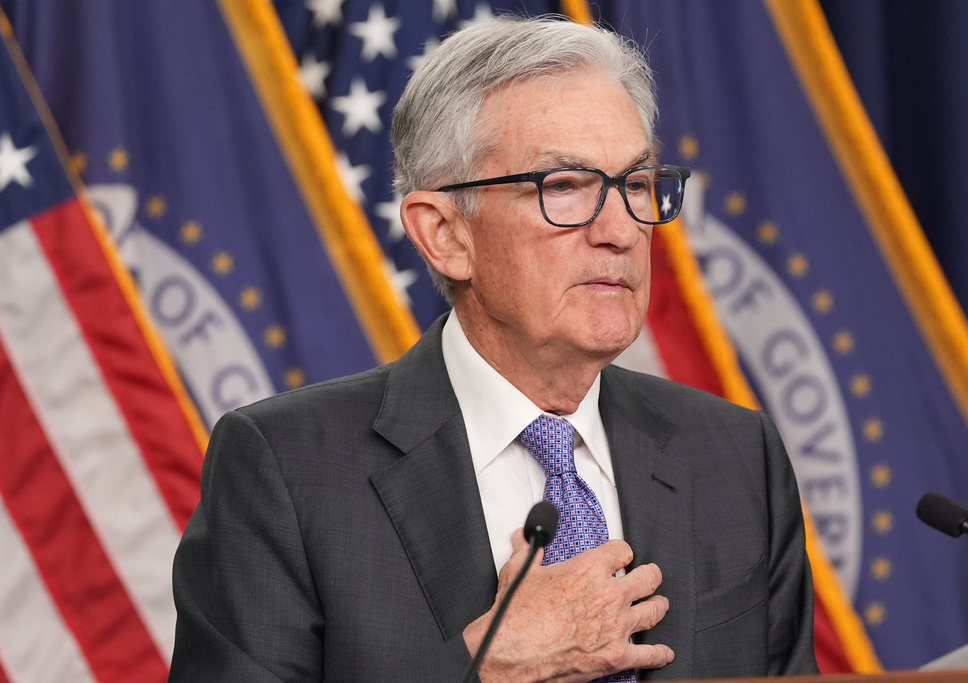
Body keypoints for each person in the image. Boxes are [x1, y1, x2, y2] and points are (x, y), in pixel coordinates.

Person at [169, 15, 818, 682]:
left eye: (634, 183)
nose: (622, 230)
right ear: (446, 233)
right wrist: (486, 669)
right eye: (565, 186)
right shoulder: (287, 469)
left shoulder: (736, 456)